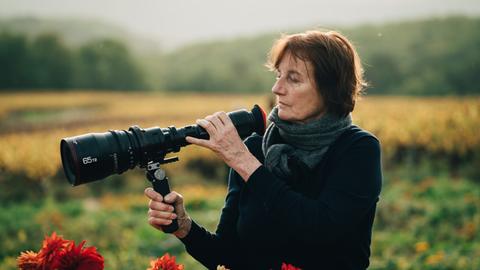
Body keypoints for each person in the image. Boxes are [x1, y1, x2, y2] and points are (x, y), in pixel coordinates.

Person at [145, 30, 382, 270]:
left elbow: (320, 228)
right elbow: (227, 255)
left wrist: (243, 162)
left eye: (293, 78)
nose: (277, 88)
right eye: (278, 75)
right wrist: (184, 227)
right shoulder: (256, 148)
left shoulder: (358, 149)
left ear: (331, 90)